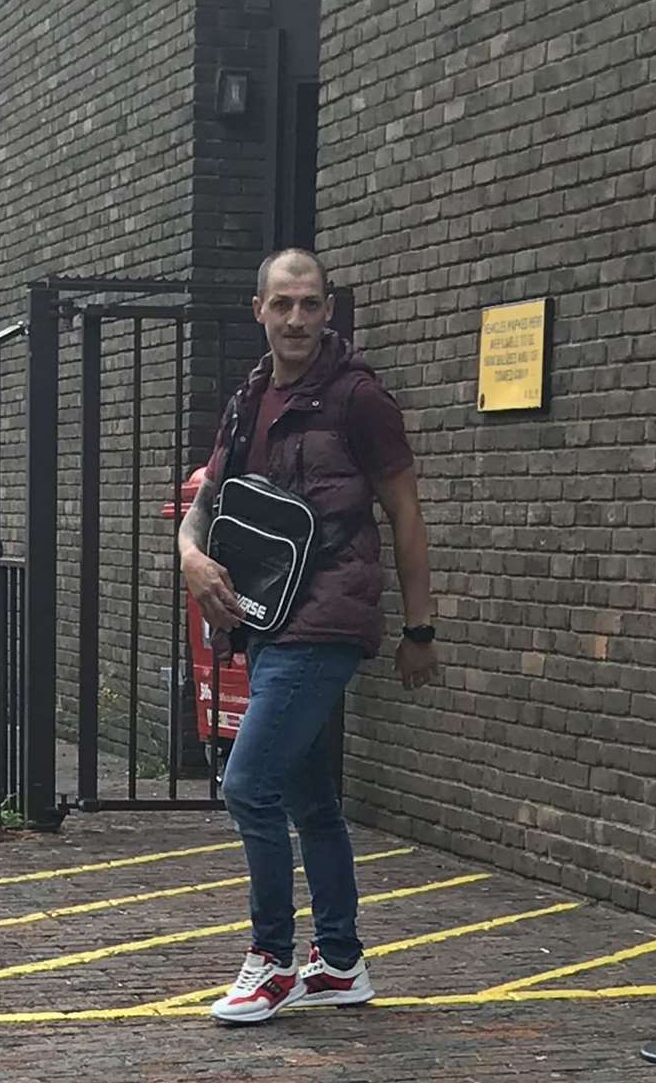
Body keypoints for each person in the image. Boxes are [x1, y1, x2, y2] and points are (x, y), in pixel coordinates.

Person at [178, 247, 439, 1024]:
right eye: (283, 303)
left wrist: (421, 628)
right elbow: (204, 505)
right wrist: (191, 557)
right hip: (266, 617)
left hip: (328, 616)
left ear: (328, 311)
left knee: (246, 784)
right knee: (306, 793)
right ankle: (341, 960)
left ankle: (270, 958)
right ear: (258, 309)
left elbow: (407, 516)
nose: (297, 318)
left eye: (312, 304)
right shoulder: (247, 399)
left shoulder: (360, 400)